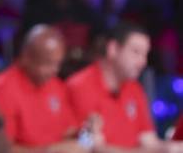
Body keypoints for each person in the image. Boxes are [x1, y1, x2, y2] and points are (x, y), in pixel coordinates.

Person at [67, 23, 183, 152]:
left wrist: (173, 148)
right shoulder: (80, 86)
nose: (143, 61)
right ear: (113, 49)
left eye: (145, 54)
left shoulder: (134, 88)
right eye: (136, 52)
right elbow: (91, 148)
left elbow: (148, 140)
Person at [0, 25, 86, 152]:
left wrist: (86, 131)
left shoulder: (55, 85)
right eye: (47, 63)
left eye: (57, 63)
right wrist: (51, 151)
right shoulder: (3, 89)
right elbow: (2, 150)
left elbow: (68, 130)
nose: (54, 71)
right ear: (26, 57)